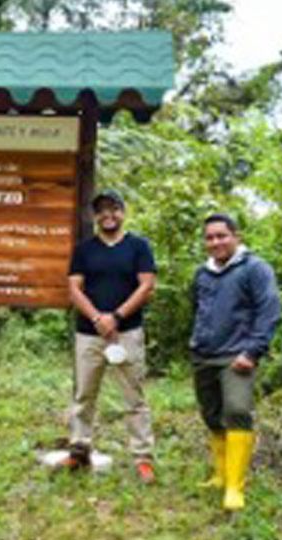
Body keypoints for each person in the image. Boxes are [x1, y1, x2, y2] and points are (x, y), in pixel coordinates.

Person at [62, 188, 158, 483]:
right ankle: (79, 450)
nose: (108, 215)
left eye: (114, 208)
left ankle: (143, 458)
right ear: (95, 216)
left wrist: (116, 317)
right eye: (102, 210)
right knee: (83, 395)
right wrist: (97, 318)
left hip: (127, 333)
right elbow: (74, 288)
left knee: (134, 398)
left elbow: (146, 286)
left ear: (123, 212)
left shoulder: (138, 246)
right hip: (88, 334)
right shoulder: (84, 250)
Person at [189, 213, 281, 511]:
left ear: (236, 237)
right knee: (211, 414)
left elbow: (269, 310)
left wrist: (253, 351)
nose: (215, 242)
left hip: (237, 355)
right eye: (209, 237)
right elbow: (197, 309)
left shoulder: (255, 268)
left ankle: (234, 487)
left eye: (221, 235)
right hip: (204, 355)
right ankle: (220, 475)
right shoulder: (202, 274)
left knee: (238, 411)